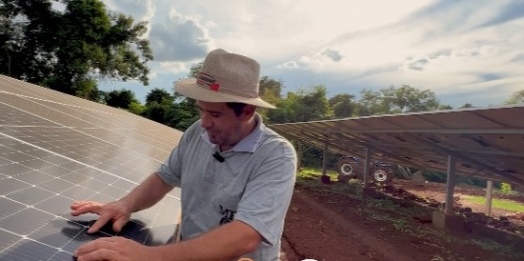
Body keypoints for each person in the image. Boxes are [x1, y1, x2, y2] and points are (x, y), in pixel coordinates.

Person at [70, 48, 298, 261]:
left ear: (247, 111)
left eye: (216, 114)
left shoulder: (276, 156)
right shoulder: (197, 132)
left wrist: (149, 256)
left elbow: (246, 236)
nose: (205, 122)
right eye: (201, 109)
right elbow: (164, 178)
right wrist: (125, 204)